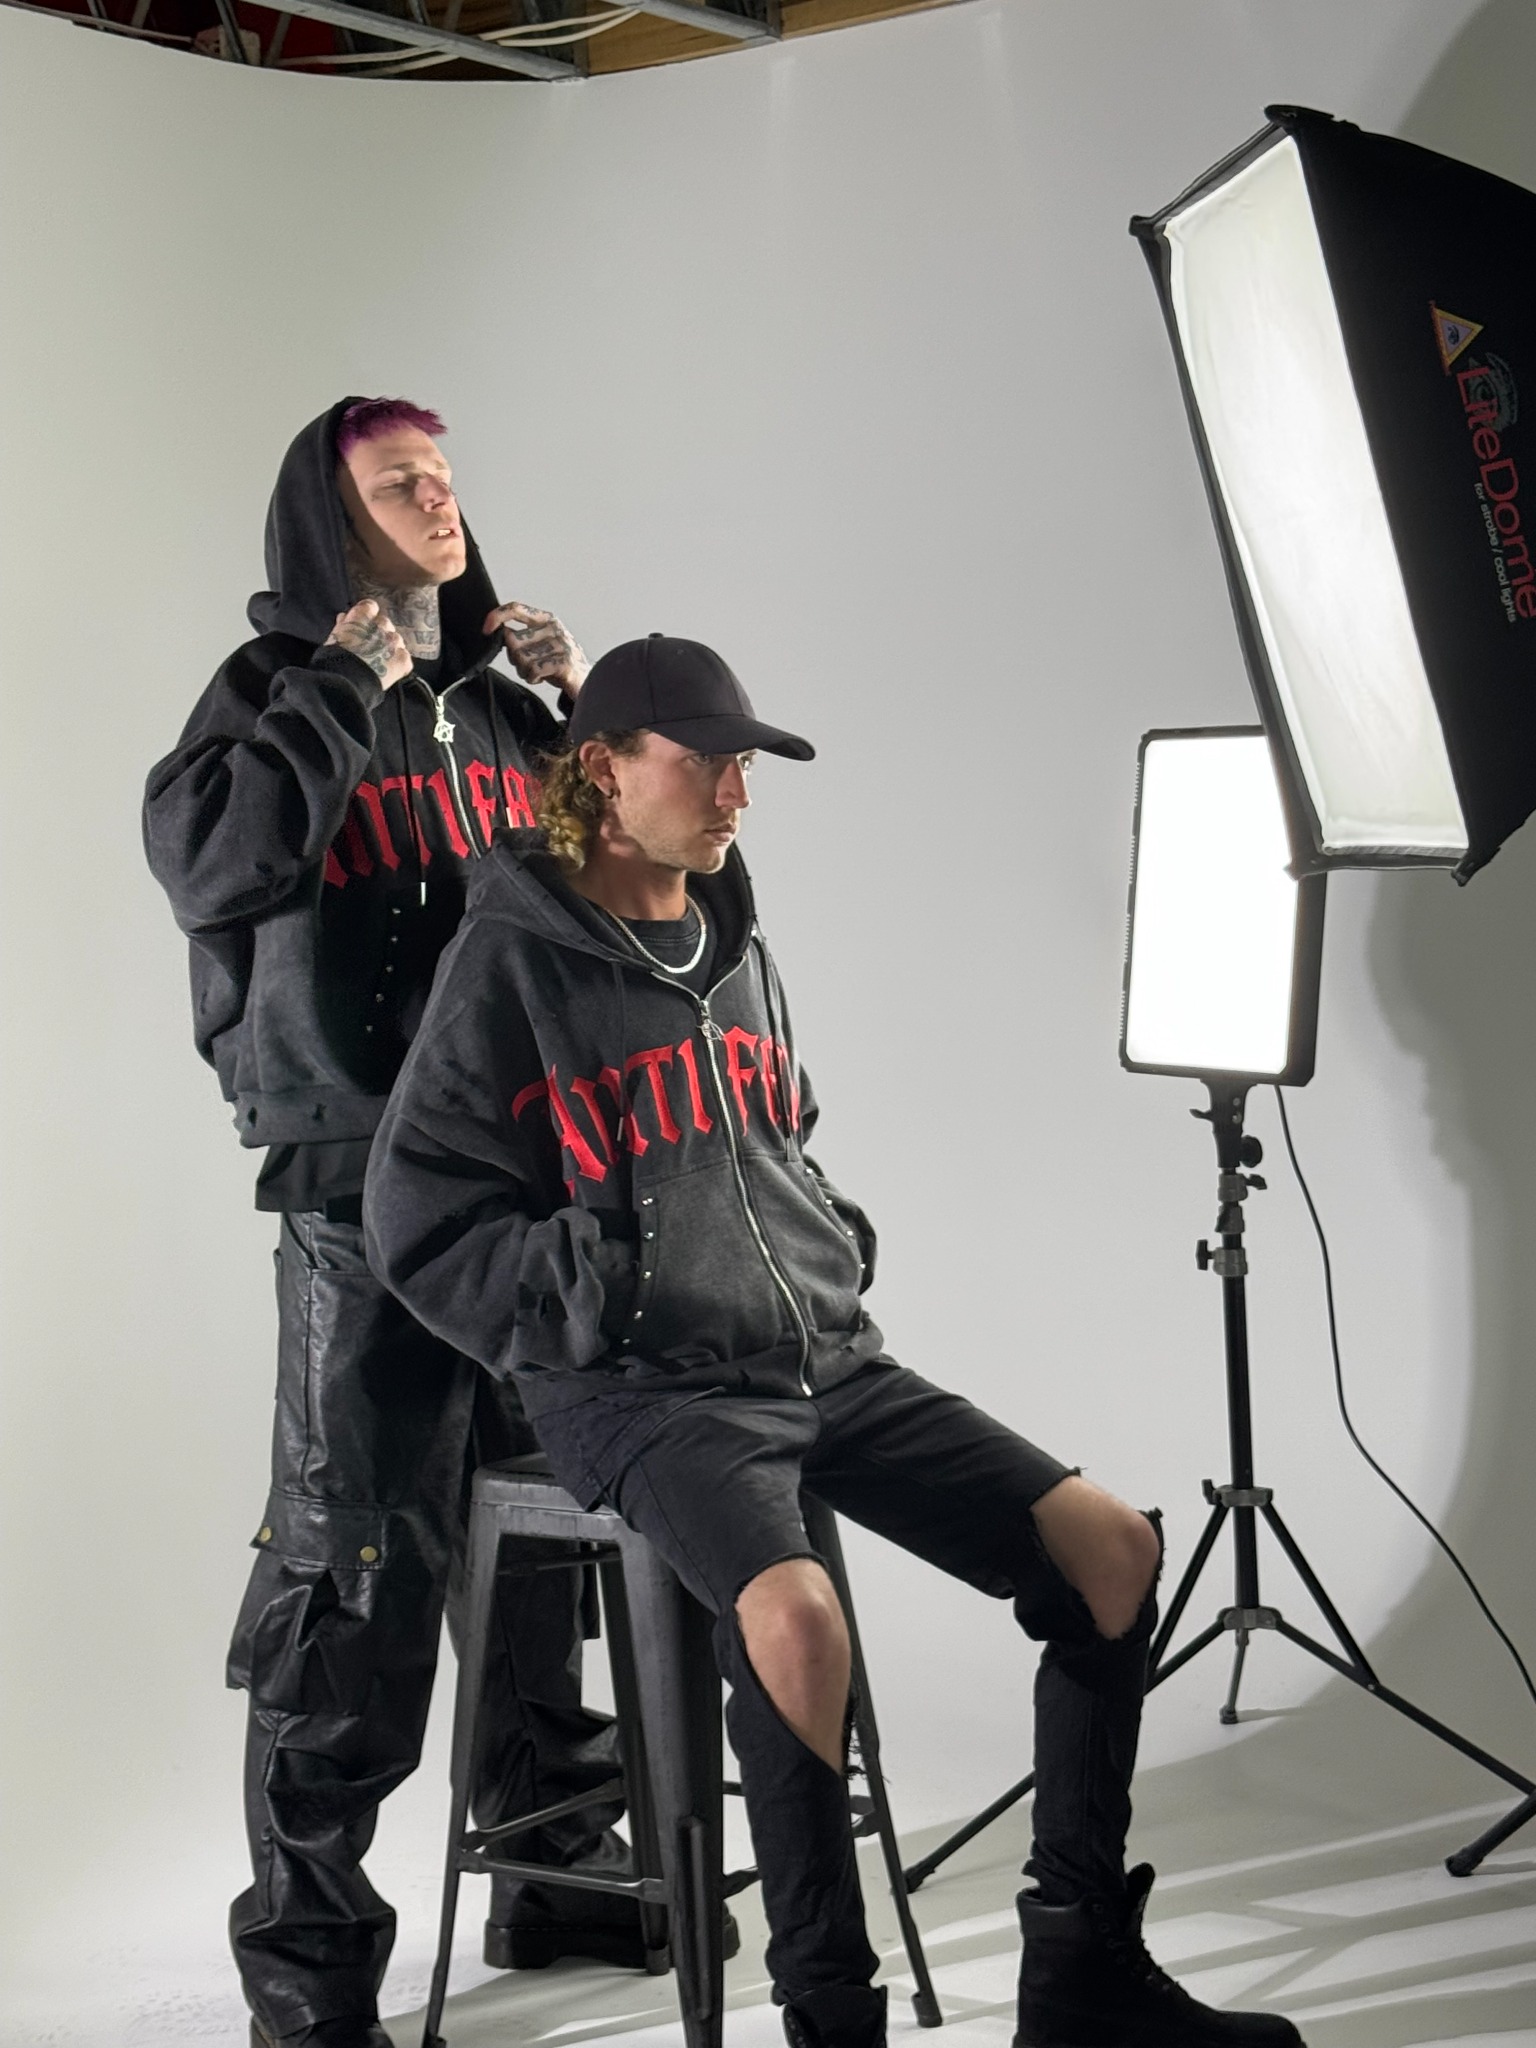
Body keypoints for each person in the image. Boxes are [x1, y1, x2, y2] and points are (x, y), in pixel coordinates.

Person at [362, 634, 1307, 2048]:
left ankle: (1080, 1971)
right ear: (603, 772)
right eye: (708, 761)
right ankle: (830, 2021)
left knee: (1108, 1551)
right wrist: (607, 1282)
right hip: (642, 1393)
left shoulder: (729, 932)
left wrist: (827, 1237)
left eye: (748, 763)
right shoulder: (509, 959)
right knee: (801, 1626)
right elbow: (416, 1217)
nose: (738, 790)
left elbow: (772, 1132)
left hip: (820, 1356)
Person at [142, 398, 650, 2048]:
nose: (441, 502)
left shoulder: (499, 709)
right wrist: (344, 687)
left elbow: (605, 904)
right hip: (359, 1206)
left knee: (540, 1537)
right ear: (330, 522)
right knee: (352, 1571)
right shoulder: (264, 704)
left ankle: (557, 1873)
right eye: (399, 486)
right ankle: (307, 1974)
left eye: (447, 477)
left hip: (522, 1187)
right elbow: (213, 857)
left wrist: (581, 724)